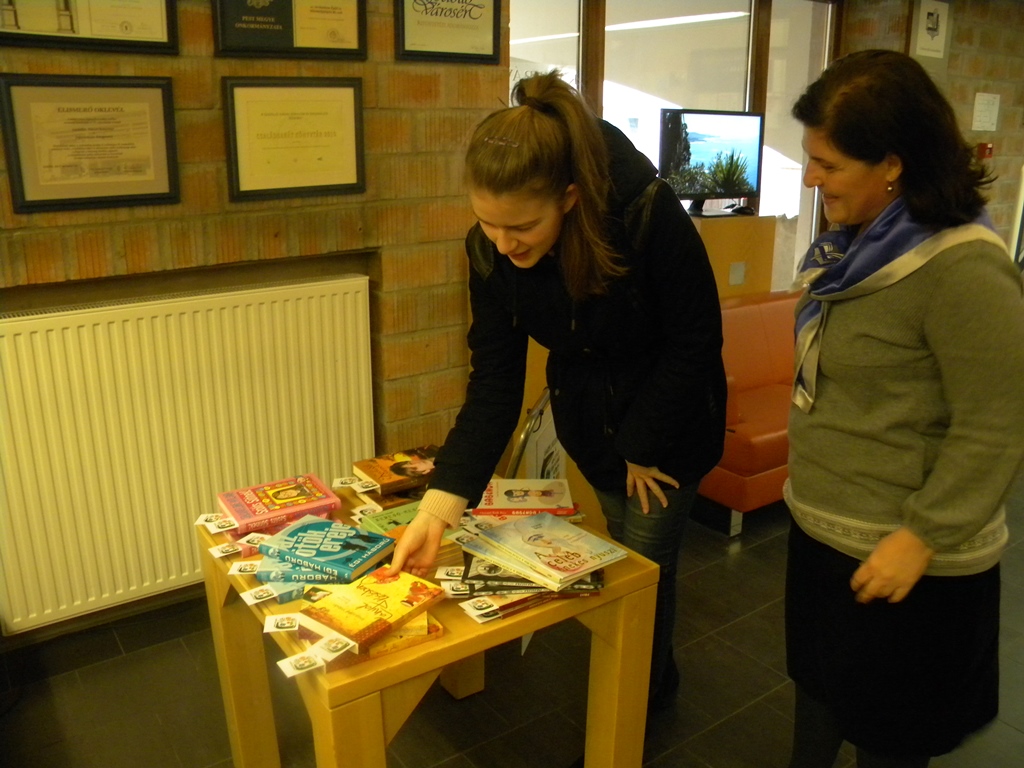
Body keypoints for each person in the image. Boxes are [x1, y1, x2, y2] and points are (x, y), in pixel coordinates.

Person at [387, 70, 726, 711]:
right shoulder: (490, 251)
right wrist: (438, 509)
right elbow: (494, 383)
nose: (503, 243)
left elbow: (695, 342)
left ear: (570, 199)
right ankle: (651, 679)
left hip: (670, 428)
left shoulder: (644, 213)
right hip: (593, 423)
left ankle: (640, 708)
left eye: (521, 227)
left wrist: (641, 445)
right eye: (487, 224)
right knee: (624, 553)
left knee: (646, 570)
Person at [784, 50, 1024, 768]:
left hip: (906, 559)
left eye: (827, 164)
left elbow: (997, 423)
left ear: (892, 164)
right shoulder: (858, 246)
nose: (809, 178)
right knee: (819, 701)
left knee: (889, 738)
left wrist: (922, 535)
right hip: (826, 534)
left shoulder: (963, 267)